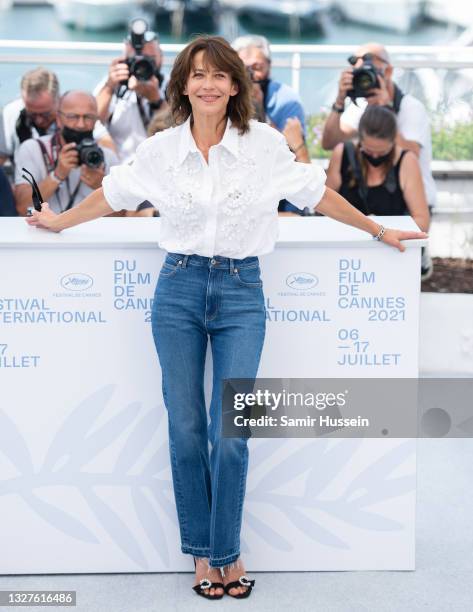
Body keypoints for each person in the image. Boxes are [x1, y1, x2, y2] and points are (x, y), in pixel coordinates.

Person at [25, 35, 427, 600]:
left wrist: (381, 230)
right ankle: (202, 557)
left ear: (235, 84)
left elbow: (319, 195)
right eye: (197, 74)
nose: (208, 84)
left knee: (231, 433)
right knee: (186, 429)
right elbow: (113, 194)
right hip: (178, 290)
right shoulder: (163, 149)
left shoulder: (262, 144)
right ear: (183, 84)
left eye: (219, 75)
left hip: (242, 294)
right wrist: (60, 222)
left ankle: (228, 553)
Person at [321, 42, 436, 210]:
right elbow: (329, 143)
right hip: (384, 202)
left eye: (371, 71)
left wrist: (385, 109)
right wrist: (339, 101)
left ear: (388, 71)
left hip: (413, 204)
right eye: (360, 73)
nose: (366, 79)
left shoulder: (411, 107)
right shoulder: (362, 107)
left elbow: (412, 156)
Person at [326, 105, 431, 277]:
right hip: (347, 255)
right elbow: (324, 205)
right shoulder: (343, 154)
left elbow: (422, 220)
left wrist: (382, 230)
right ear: (359, 140)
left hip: (391, 255)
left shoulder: (406, 161)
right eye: (368, 150)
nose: (374, 157)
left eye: (382, 152)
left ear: (393, 141)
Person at [233, 34, 310, 214]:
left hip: (276, 181)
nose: (251, 74)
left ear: (269, 66)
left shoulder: (287, 101)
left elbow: (296, 156)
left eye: (257, 67)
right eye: (243, 68)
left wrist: (258, 110)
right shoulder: (222, 95)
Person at [15, 90, 119, 216]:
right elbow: (22, 207)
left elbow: (122, 216)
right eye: (73, 117)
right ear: (58, 119)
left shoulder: (107, 156)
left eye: (88, 117)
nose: (81, 124)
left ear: (96, 120)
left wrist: (102, 188)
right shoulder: (33, 148)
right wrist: (56, 176)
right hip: (46, 232)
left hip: (93, 233)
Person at [95, 20, 168, 164]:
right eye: (135, 60)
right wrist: (110, 87)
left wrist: (156, 101)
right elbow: (92, 122)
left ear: (161, 57)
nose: (141, 66)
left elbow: (178, 130)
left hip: (160, 165)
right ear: (123, 60)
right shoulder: (112, 85)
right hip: (120, 167)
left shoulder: (172, 86)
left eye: (149, 59)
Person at [0, 68, 59, 165]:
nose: (39, 120)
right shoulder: (11, 113)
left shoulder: (75, 117)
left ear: (58, 101)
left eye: (45, 114)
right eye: (32, 114)